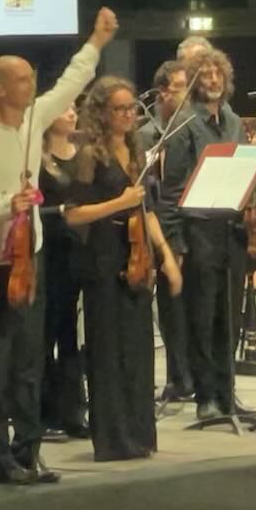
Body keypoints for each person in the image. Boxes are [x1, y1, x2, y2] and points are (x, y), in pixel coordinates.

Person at [0, 6, 119, 486]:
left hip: (32, 258)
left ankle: (30, 451)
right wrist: (6, 203)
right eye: (21, 80)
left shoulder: (34, 120)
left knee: (30, 362)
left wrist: (97, 42)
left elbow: (71, 82)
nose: (31, 85)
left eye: (31, 78)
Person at [66, 76, 183, 461]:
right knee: (109, 350)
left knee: (137, 349)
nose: (129, 115)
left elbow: (144, 209)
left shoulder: (135, 149)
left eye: (133, 108)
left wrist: (165, 254)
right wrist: (120, 202)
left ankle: (138, 434)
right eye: (120, 109)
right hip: (102, 257)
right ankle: (113, 439)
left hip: (136, 256)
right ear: (101, 113)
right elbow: (74, 214)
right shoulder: (89, 156)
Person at [180, 45, 253, 423]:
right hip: (199, 230)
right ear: (194, 81)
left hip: (232, 229)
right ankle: (205, 395)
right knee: (203, 317)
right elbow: (175, 188)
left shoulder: (235, 121)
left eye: (217, 75)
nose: (212, 81)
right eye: (205, 75)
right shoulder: (184, 123)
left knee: (230, 317)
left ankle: (228, 393)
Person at [139, 59, 196, 403]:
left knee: (191, 306)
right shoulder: (145, 134)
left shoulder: (191, 129)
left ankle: (193, 374)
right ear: (162, 93)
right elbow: (148, 190)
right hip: (158, 225)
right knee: (171, 307)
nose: (187, 96)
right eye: (179, 88)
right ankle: (178, 376)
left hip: (190, 223)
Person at [37, 104, 88, 440]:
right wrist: (60, 211)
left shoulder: (83, 154)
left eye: (74, 108)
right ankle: (45, 413)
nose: (71, 113)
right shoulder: (36, 159)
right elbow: (29, 208)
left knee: (73, 337)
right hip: (49, 253)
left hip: (78, 252)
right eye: (64, 108)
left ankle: (74, 412)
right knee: (47, 334)